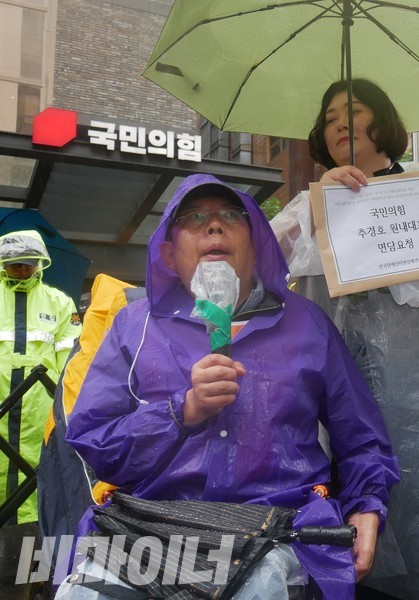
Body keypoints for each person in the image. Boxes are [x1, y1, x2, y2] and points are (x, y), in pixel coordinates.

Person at [59, 174, 400, 599]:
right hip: (150, 525)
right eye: (193, 218)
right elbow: (94, 440)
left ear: (255, 245)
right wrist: (181, 412)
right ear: (169, 253)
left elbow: (361, 438)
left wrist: (366, 506)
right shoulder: (134, 326)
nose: (214, 226)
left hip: (281, 526)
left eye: (231, 215)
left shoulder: (308, 323)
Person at [271, 78, 419, 599]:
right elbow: (266, 260)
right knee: (338, 510)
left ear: (382, 121)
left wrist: (383, 255)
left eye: (354, 110)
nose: (340, 123)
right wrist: (319, 207)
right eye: (329, 118)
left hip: (416, 391)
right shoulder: (312, 201)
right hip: (331, 394)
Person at [0, 229, 80, 525]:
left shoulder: (59, 302)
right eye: (15, 263)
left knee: (39, 462)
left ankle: (31, 528)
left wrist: (65, 405)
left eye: (28, 263)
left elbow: (72, 359)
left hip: (40, 405)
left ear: (39, 263)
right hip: (1, 400)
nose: (22, 269)